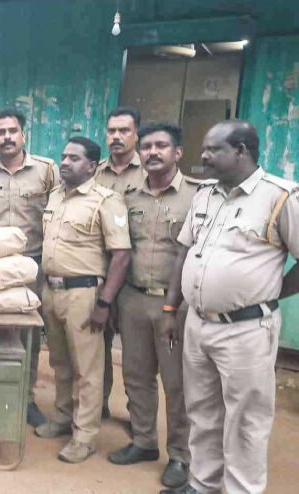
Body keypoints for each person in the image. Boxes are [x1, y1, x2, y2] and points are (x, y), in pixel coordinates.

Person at [161, 120, 299, 494]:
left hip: (246, 330)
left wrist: (271, 293)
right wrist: (171, 310)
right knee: (202, 411)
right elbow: (185, 251)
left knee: (246, 420)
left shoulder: (280, 197)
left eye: (213, 149)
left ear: (241, 151)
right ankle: (202, 484)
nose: (204, 156)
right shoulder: (205, 193)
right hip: (198, 323)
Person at [107, 123, 196, 489]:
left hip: (175, 305)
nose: (153, 152)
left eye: (161, 145)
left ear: (177, 153)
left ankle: (180, 456)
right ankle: (144, 441)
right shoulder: (128, 197)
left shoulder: (197, 196)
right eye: (146, 147)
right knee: (136, 375)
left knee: (177, 384)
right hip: (133, 299)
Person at [35, 136, 131, 463]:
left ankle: (85, 436)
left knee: (87, 369)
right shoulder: (55, 196)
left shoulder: (106, 201)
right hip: (52, 291)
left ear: (92, 166)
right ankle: (62, 418)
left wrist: (104, 303)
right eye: (63, 156)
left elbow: (121, 255)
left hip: (84, 293)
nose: (65, 162)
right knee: (59, 362)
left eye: (74, 158)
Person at [0, 107, 58, 427]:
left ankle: (26, 399)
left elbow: (58, 217)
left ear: (23, 135)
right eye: (0, 132)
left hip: (33, 266)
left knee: (29, 335)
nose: (7, 137)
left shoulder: (47, 171)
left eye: (12, 131)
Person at [94, 106, 145, 419]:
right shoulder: (95, 172)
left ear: (136, 134)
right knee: (96, 348)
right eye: (112, 130)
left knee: (137, 358)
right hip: (101, 272)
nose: (116, 136)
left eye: (124, 130)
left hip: (137, 276)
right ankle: (96, 407)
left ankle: (139, 422)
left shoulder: (148, 172)